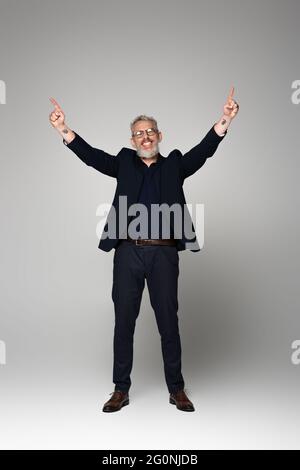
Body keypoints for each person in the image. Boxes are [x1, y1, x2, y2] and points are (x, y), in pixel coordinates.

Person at [49, 89, 239, 412]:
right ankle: (120, 390)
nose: (145, 137)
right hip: (127, 254)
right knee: (123, 321)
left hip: (164, 254)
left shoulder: (175, 164)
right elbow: (93, 156)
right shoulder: (123, 163)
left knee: (169, 321)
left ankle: (176, 388)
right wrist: (64, 130)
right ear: (133, 140)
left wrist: (225, 119)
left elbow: (204, 151)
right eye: (139, 133)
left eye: (150, 131)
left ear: (159, 135)